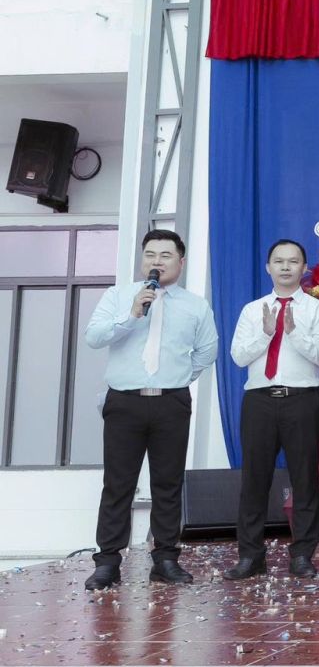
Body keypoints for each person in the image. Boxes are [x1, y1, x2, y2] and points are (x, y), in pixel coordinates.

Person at [82, 230, 219, 590]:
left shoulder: (195, 305)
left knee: (168, 483)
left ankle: (166, 560)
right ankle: (108, 562)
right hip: (124, 401)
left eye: (165, 255)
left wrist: (177, 378)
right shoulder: (119, 296)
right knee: (118, 484)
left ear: (181, 262)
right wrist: (131, 315)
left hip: (171, 402)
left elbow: (207, 351)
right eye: (150, 255)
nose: (156, 261)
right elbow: (94, 337)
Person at [224, 238, 319, 581]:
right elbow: (238, 357)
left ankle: (303, 555)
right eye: (279, 261)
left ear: (304, 268)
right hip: (260, 401)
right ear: (268, 267)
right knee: (254, 480)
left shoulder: (317, 310)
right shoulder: (253, 310)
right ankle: (250, 556)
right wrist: (267, 334)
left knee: (305, 479)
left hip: (302, 400)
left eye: (293, 261)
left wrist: (294, 333)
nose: (285, 267)